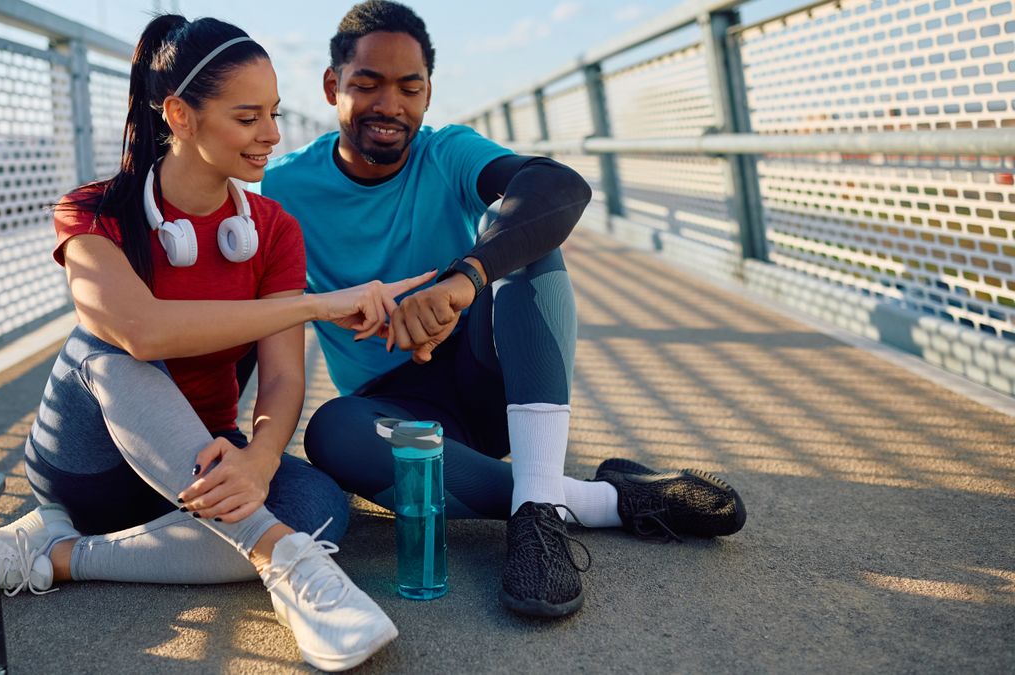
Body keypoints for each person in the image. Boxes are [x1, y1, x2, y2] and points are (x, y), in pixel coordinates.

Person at [0, 14, 430, 671]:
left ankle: (52, 555)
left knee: (320, 505)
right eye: (247, 117)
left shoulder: (272, 230)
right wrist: (315, 303)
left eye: (275, 113)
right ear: (180, 115)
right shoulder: (91, 212)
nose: (271, 135)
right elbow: (139, 331)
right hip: (88, 466)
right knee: (106, 343)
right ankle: (282, 561)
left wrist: (261, 459)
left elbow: (285, 378)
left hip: (195, 466)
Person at [262, 0, 747, 619]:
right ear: (333, 87)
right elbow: (262, 302)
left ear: (429, 94)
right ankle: (591, 501)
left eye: (410, 88)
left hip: (487, 377)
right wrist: (328, 310)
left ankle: (540, 518)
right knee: (331, 432)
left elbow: (559, 186)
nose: (390, 105)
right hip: (395, 408)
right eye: (367, 84)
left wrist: (462, 280)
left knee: (522, 233)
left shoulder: (449, 152)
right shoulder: (282, 186)